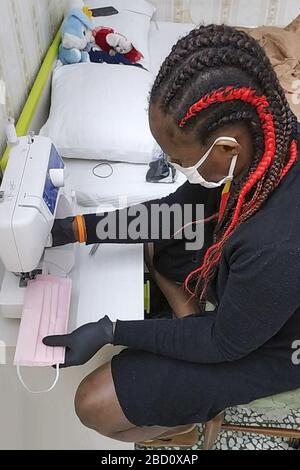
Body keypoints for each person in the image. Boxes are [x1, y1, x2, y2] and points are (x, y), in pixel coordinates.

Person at [43, 24, 300, 447]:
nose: (174, 166)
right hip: (251, 295)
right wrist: (74, 229)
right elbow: (175, 211)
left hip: (274, 345)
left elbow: (224, 342)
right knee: (163, 239)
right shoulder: (265, 138)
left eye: (179, 159)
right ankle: (186, 325)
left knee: (94, 403)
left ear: (225, 148)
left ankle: (180, 427)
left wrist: (111, 330)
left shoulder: (279, 243)